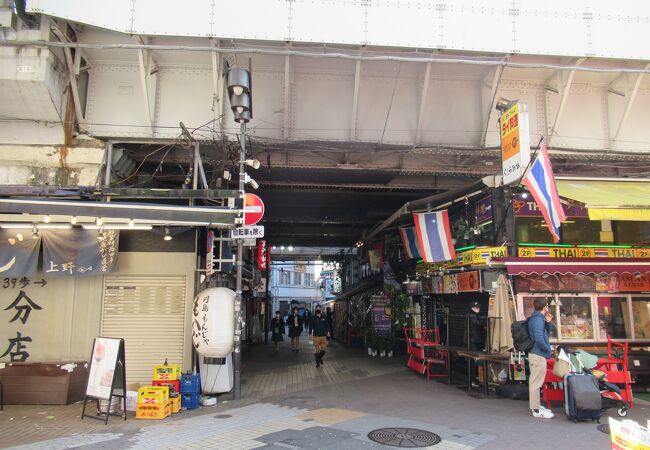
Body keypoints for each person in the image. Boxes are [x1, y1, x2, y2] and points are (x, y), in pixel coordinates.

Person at [528, 298, 556, 419]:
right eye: (547, 306)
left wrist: (548, 322)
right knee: (536, 383)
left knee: (536, 382)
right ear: (544, 307)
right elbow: (539, 339)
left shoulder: (538, 319)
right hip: (538, 354)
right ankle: (536, 410)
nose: (548, 308)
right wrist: (548, 350)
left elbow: (544, 334)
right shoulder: (537, 320)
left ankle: (537, 406)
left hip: (537, 353)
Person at [467, 300, 486, 388]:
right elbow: (478, 324)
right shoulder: (471, 315)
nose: (478, 308)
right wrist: (484, 321)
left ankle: (475, 379)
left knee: (476, 360)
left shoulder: (474, 315)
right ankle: (473, 380)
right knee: (473, 360)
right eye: (476, 307)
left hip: (476, 340)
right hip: (472, 340)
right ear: (472, 308)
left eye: (479, 307)